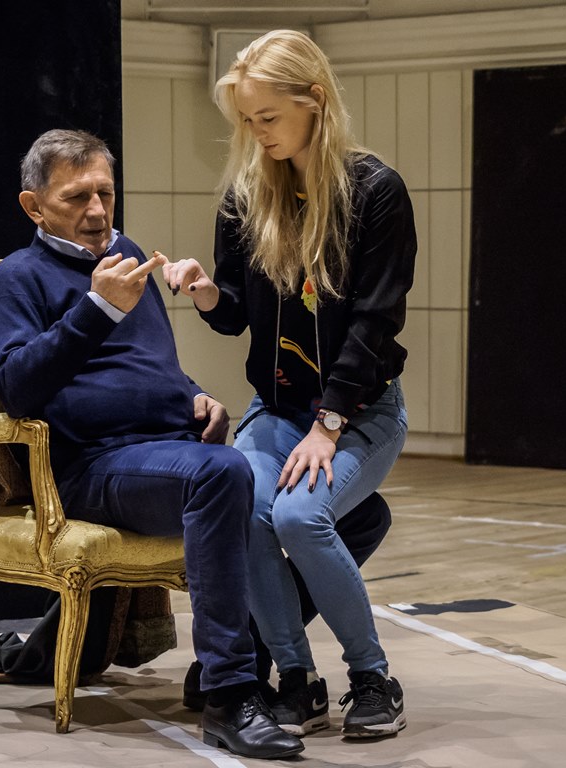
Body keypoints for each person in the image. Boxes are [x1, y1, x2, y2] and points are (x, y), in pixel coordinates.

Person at [0, 128, 303, 759]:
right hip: (91, 466)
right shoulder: (16, 279)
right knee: (222, 473)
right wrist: (95, 309)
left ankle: (258, 662)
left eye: (105, 192)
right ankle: (231, 695)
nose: (97, 210)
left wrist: (196, 394)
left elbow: (151, 365)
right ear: (33, 206)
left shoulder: (125, 255)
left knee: (339, 507)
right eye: (76, 197)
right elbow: (14, 387)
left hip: (168, 452)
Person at [161, 30, 416, 739]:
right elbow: (235, 317)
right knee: (241, 507)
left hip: (358, 412)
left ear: (316, 101)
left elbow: (374, 324)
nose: (257, 134)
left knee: (301, 519)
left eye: (268, 117)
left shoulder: (377, 192)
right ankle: (297, 680)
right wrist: (207, 292)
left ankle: (373, 679)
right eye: (247, 120)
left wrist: (328, 425)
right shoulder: (246, 199)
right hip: (276, 410)